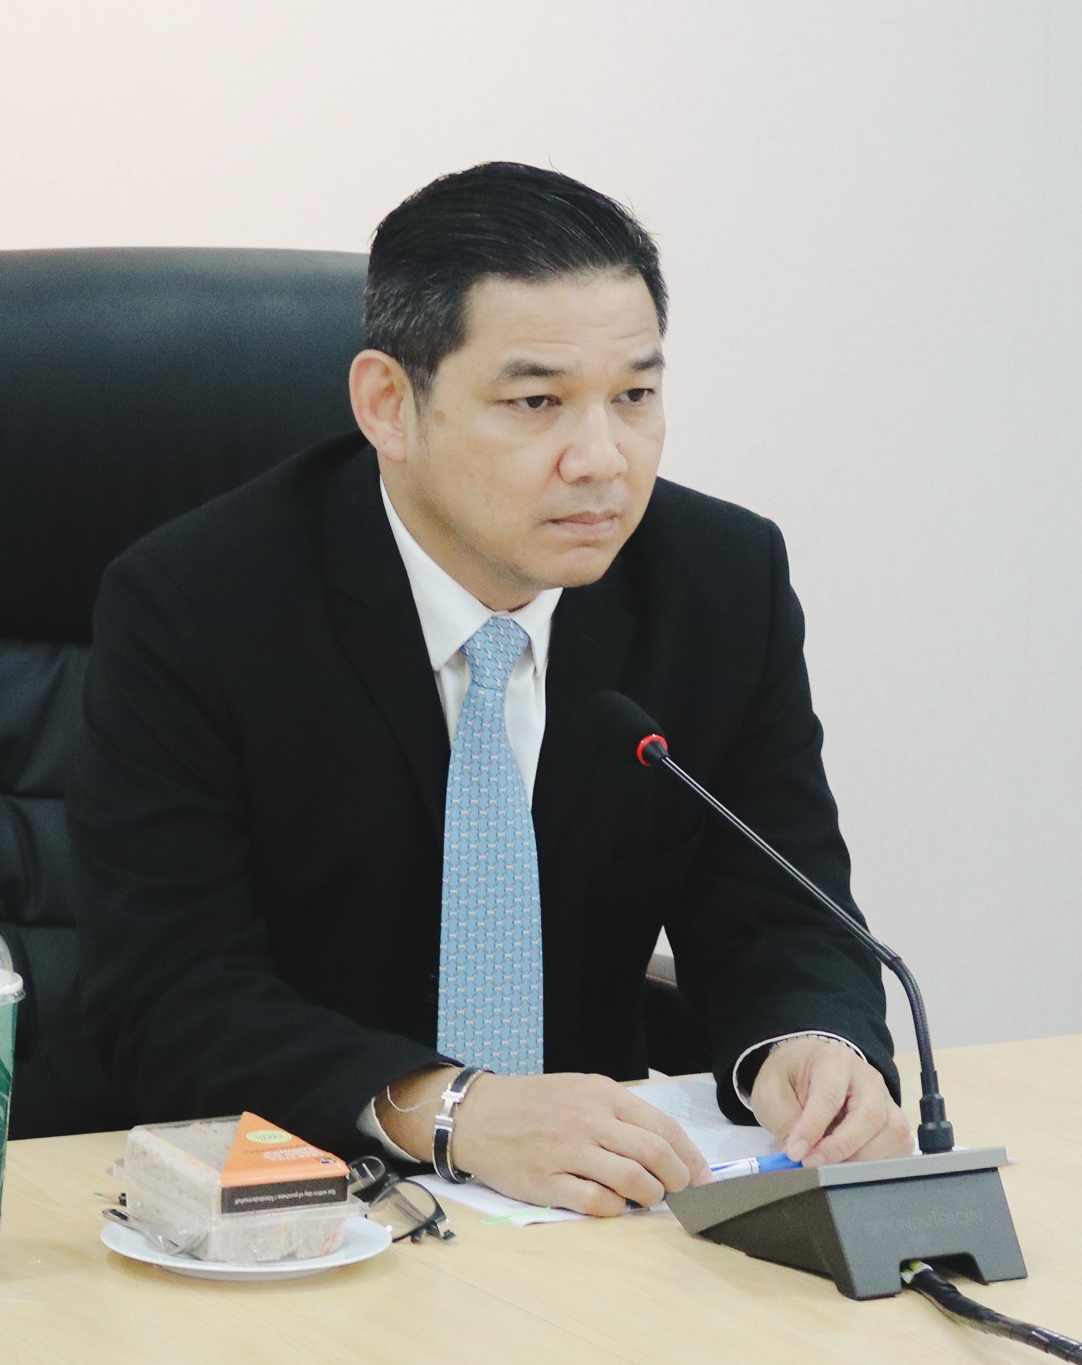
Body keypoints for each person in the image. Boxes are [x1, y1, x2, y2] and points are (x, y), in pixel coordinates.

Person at [71, 162, 911, 1217]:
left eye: (635, 397)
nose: (601, 459)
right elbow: (170, 999)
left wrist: (811, 1048)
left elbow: (783, 913)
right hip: (289, 1210)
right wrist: (453, 1109)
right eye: (536, 402)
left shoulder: (718, 584)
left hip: (597, 1215)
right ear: (389, 405)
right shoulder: (196, 606)